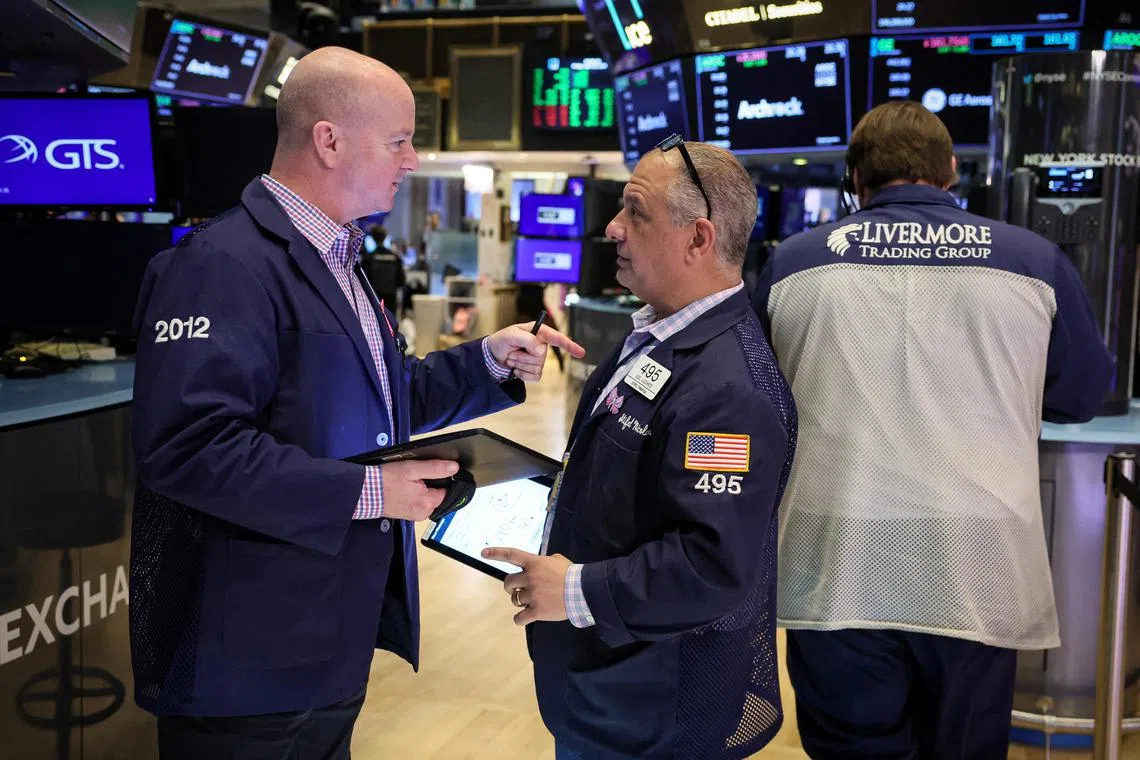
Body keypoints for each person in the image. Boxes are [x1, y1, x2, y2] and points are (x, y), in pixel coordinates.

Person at [129, 46, 583, 760]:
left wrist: (485, 362)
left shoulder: (340, 258)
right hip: (245, 653)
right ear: (329, 140)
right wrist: (374, 491)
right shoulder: (221, 264)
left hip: (327, 636)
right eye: (399, 141)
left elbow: (383, 397)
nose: (413, 161)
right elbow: (190, 448)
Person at [752, 101, 1113, 759]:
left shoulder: (794, 264)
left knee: (853, 747)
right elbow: (1082, 395)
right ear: (950, 171)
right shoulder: (1034, 261)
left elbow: (756, 401)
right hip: (976, 555)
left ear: (854, 180)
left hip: (839, 554)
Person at [483, 137, 798, 759]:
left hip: (655, 714)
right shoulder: (658, 337)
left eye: (636, 211)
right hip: (608, 690)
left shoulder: (727, 390)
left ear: (698, 238)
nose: (612, 228)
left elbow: (709, 566)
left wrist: (574, 590)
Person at [362, 223, 406, 312]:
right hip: (391, 298)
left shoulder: (368, 258)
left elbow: (363, 280)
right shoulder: (395, 257)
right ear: (385, 237)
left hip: (374, 298)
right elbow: (401, 280)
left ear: (373, 238)